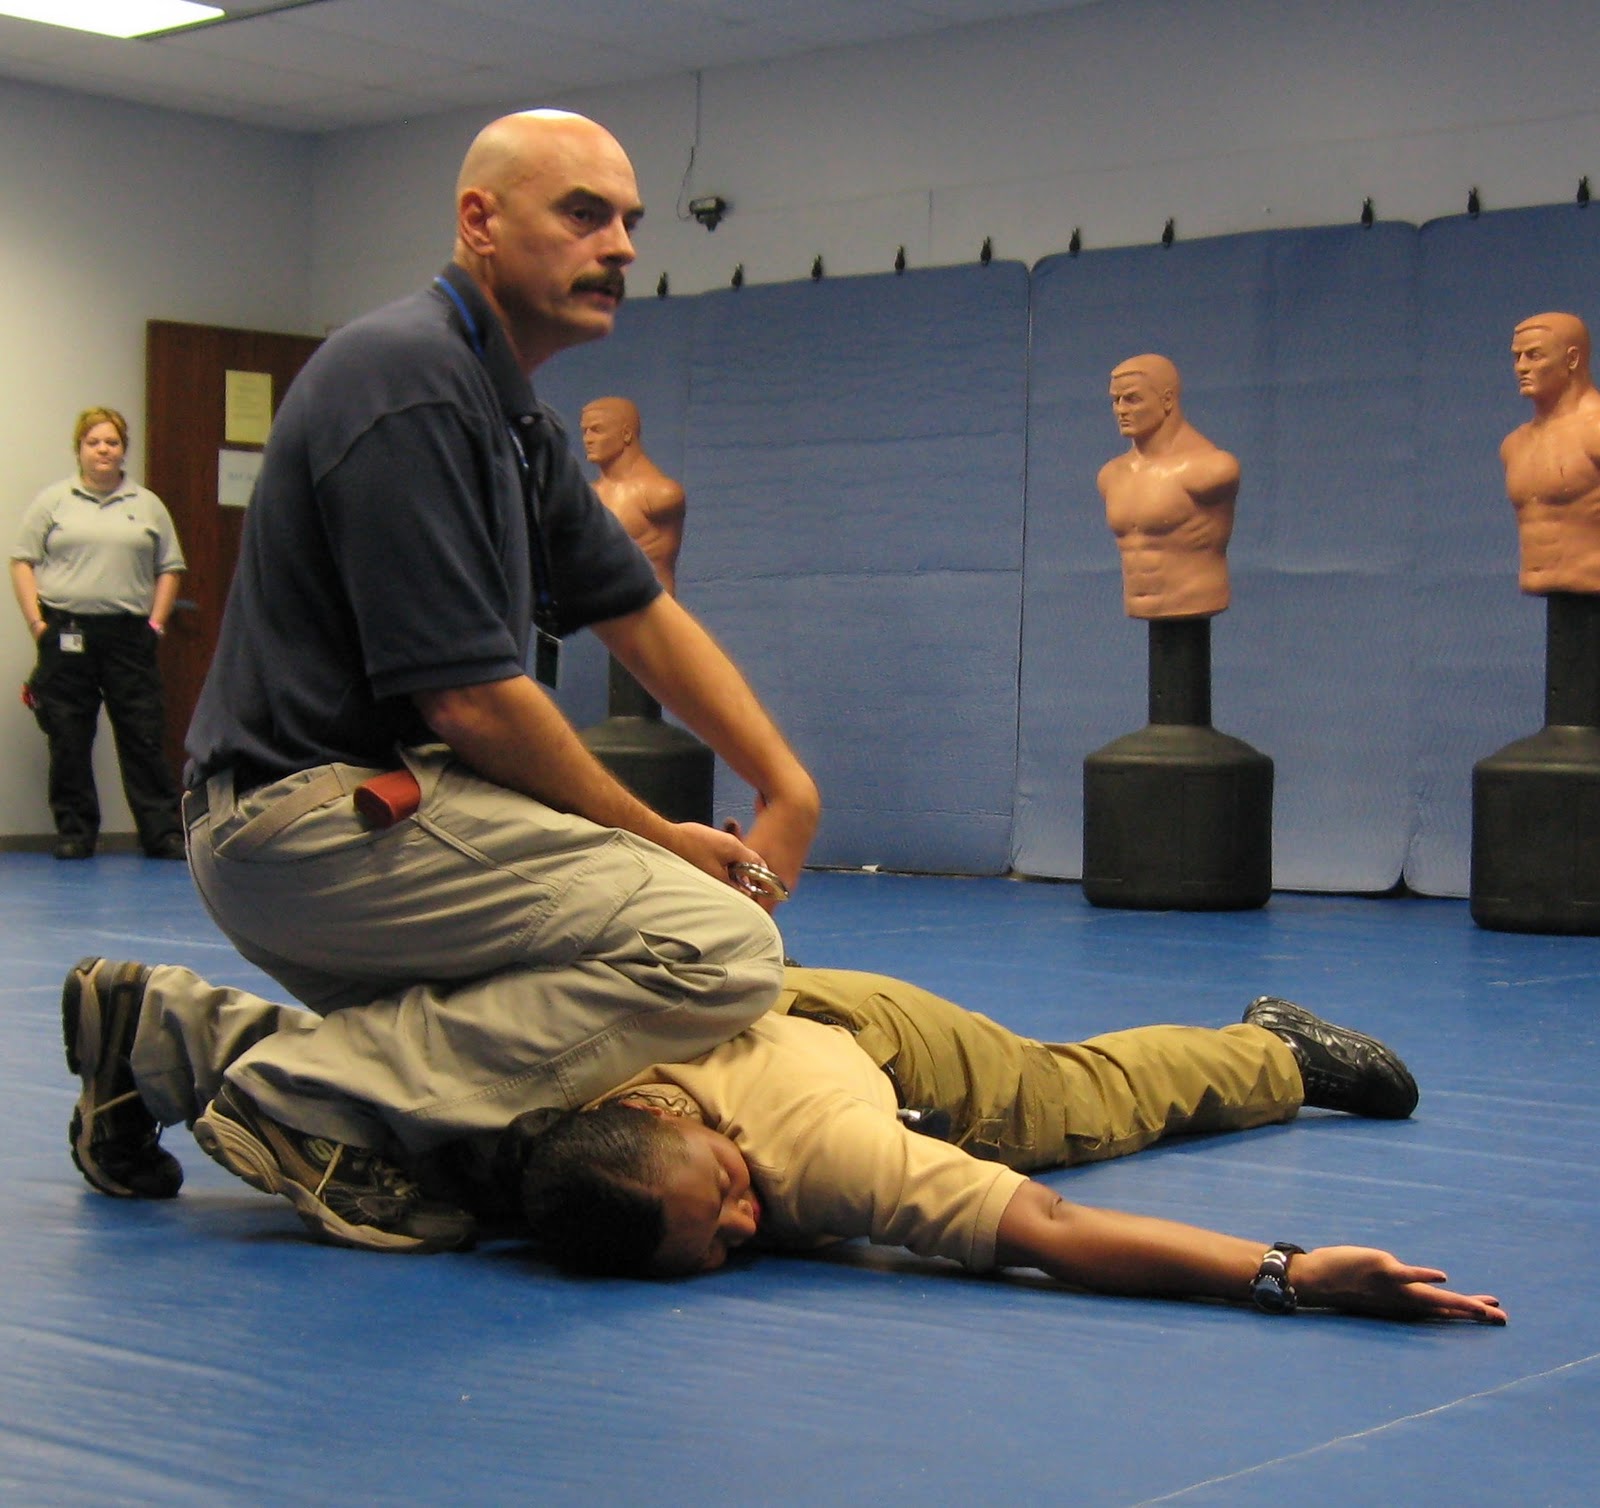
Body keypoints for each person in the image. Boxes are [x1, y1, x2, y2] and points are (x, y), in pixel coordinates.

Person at [177, 109, 820, 1253]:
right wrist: (663, 842)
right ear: (479, 220)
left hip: (353, 818)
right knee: (716, 947)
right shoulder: (409, 379)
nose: (620, 245)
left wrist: (786, 782)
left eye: (628, 221)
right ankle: (299, 1094)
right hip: (310, 821)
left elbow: (636, 610)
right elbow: (472, 703)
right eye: (583, 214)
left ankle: (162, 1033)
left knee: (559, 1022)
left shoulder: (509, 412)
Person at [60, 956, 1503, 1323]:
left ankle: (1271, 1044)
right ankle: (180, 1030)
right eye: (724, 1245)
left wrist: (1284, 1272)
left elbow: (1052, 1233)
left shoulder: (824, 1154)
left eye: (727, 1198)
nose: (752, 1222)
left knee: (1078, 1105)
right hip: (711, 1007)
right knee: (409, 1105)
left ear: (658, 1118)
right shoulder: (532, 1120)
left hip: (877, 1041)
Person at [10, 407, 187, 861]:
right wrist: (37, 623)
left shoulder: (147, 505)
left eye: (112, 442)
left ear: (123, 449)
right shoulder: (54, 502)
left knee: (143, 735)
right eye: (94, 442)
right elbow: (22, 561)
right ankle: (75, 832)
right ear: (79, 449)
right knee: (68, 737)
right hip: (66, 632)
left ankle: (162, 833)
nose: (103, 450)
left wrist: (156, 624)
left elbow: (170, 568)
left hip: (129, 635)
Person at [1098, 355, 1241, 619]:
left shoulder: (1210, 469)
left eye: (1132, 399)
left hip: (1194, 600)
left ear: (1167, 400)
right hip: (1140, 604)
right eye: (1115, 400)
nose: (1121, 410)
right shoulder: (1111, 476)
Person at [1500, 311, 1600, 595]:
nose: (1521, 367)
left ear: (1572, 359)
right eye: (1517, 357)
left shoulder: (1595, 430)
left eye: (1534, 355)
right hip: (1562, 606)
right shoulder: (1514, 445)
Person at [580, 396, 687, 594]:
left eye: (597, 430)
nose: (588, 439)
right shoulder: (588, 496)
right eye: (584, 431)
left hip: (648, 610)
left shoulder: (659, 495)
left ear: (626, 434)